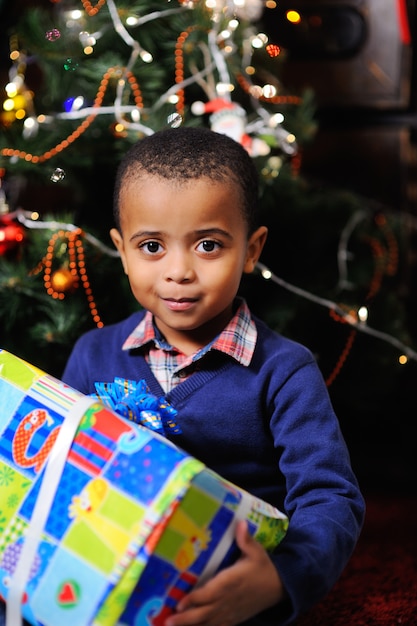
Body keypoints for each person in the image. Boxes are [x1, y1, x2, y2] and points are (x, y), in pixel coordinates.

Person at [62, 126, 365, 626]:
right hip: (110, 575)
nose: (178, 271)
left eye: (207, 245)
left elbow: (329, 496)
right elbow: (61, 471)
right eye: (152, 246)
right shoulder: (93, 355)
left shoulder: (284, 371)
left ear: (251, 249)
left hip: (231, 590)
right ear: (121, 249)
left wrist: (279, 578)